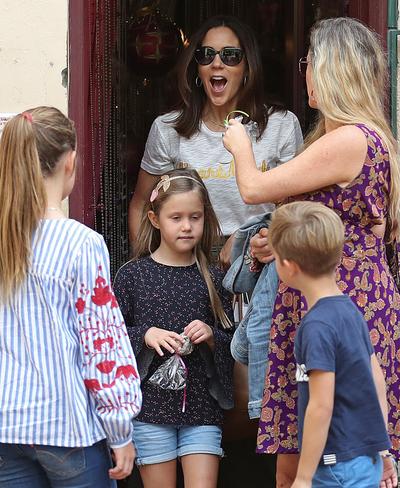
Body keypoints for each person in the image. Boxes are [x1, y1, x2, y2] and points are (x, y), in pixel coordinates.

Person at [224, 16, 400, 487]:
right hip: (344, 299)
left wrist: (239, 145)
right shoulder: (361, 138)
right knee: (313, 456)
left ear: (333, 69)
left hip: (337, 301)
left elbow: (253, 188)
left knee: (312, 456)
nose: (305, 71)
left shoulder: (349, 140)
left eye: (309, 62)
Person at [0, 107, 142, 487]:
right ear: (71, 161)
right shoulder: (81, 244)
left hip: (6, 424)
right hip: (67, 426)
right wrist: (120, 428)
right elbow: (102, 345)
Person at [128, 15, 303, 265]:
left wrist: (257, 239)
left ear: (247, 67)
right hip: (186, 262)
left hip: (260, 262)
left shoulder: (281, 125)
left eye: (230, 55)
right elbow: (141, 206)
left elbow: (297, 207)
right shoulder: (168, 128)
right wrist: (148, 271)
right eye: (206, 55)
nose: (217, 63)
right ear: (197, 68)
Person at [114, 168, 235, 488]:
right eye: (176, 217)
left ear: (205, 218)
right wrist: (144, 335)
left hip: (202, 409)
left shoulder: (214, 278)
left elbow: (235, 342)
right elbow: (108, 340)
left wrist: (211, 337)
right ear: (154, 218)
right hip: (150, 410)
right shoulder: (132, 276)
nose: (186, 226)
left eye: (195, 217)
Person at [268, 202, 397, 488]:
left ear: (289, 266)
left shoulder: (316, 327)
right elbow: (376, 380)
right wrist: (383, 450)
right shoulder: (349, 311)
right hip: (365, 461)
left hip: (335, 469)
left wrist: (302, 477)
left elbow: (321, 406)